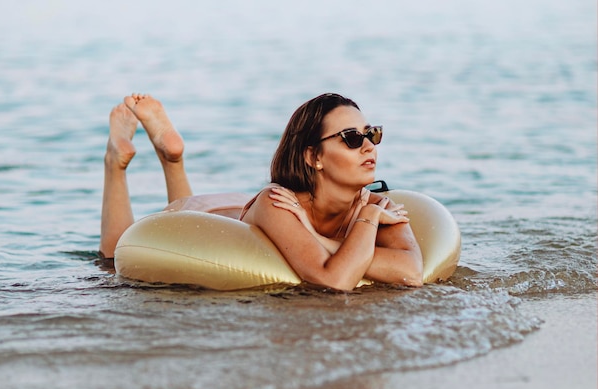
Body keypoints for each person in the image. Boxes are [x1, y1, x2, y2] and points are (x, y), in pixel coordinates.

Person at [100, 93, 423, 291]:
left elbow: (411, 273)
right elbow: (335, 281)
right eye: (352, 137)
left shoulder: (381, 204)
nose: (368, 146)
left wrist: (320, 237)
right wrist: (367, 219)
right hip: (203, 214)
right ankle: (118, 161)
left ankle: (171, 156)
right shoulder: (277, 202)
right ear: (313, 157)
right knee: (112, 258)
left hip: (243, 207)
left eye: (372, 134)